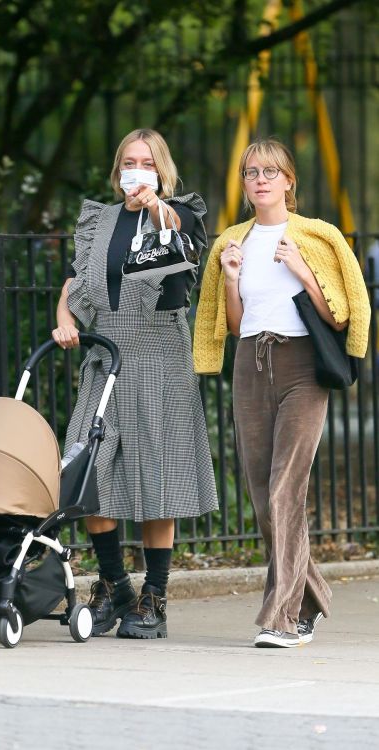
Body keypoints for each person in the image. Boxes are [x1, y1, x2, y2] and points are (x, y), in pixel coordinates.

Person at [194, 138, 370, 648]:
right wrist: (230, 279)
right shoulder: (232, 242)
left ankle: (282, 618)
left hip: (302, 366)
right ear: (245, 183)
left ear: (290, 181)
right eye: (252, 171)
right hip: (251, 364)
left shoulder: (316, 237)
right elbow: (233, 324)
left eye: (272, 170)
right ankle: (313, 597)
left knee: (285, 489)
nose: (261, 179)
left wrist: (303, 274)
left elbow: (339, 314)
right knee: (261, 494)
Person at [53, 128, 218, 639]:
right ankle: (114, 584)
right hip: (106, 359)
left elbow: (179, 240)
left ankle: (155, 598)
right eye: (129, 160)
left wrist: (153, 206)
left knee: (157, 477)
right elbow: (74, 288)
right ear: (117, 167)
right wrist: (65, 319)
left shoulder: (180, 212)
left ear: (161, 169)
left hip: (160, 356)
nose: (136, 169)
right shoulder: (99, 220)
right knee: (86, 473)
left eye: (147, 162)